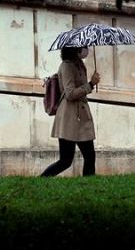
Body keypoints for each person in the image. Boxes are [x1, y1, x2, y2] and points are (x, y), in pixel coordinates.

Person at [40, 46, 101, 177]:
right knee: (66, 160)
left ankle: (89, 185)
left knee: (90, 156)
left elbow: (81, 89)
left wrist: (91, 84)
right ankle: (42, 179)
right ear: (75, 49)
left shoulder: (79, 64)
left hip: (81, 116)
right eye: (83, 47)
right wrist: (91, 84)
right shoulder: (66, 66)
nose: (86, 49)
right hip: (69, 118)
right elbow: (70, 94)